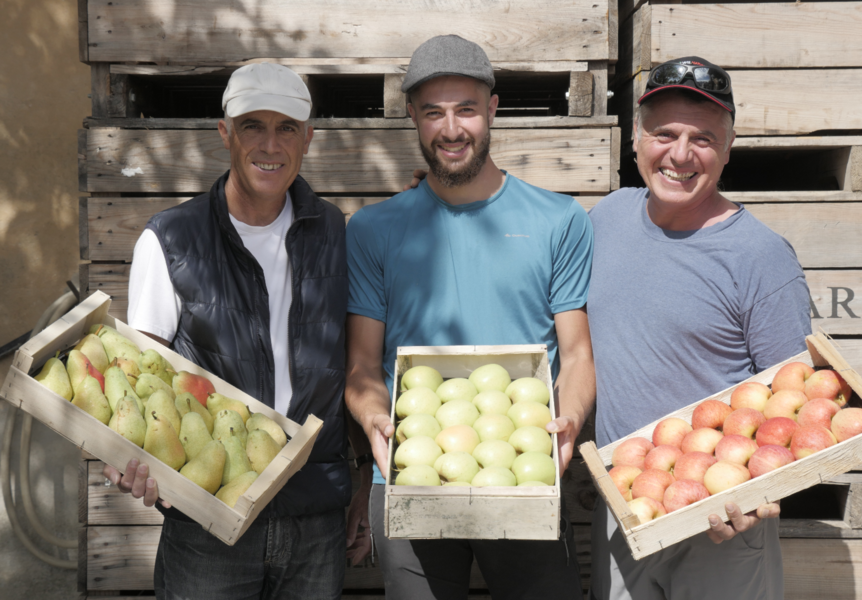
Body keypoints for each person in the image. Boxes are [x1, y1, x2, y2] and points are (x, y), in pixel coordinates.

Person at [101, 62, 370, 599]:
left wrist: (362, 489)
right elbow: (140, 379)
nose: (270, 144)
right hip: (208, 519)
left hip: (316, 515)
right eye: (253, 125)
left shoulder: (338, 236)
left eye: (286, 127)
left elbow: (357, 370)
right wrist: (129, 459)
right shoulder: (170, 240)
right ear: (225, 132)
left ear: (308, 139)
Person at [343, 35, 596, 600]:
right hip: (409, 472)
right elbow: (361, 364)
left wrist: (570, 419)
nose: (451, 129)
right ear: (412, 115)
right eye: (433, 112)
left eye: (466, 110)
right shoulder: (372, 230)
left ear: (493, 110)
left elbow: (576, 352)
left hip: (526, 468)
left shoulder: (558, 220)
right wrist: (375, 421)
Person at [586, 57, 812, 599]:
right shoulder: (607, 218)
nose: (681, 155)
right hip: (627, 508)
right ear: (637, 141)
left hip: (724, 521)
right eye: (665, 133)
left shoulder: (761, 258)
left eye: (703, 139)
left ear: (729, 148)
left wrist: (753, 495)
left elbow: (794, 401)